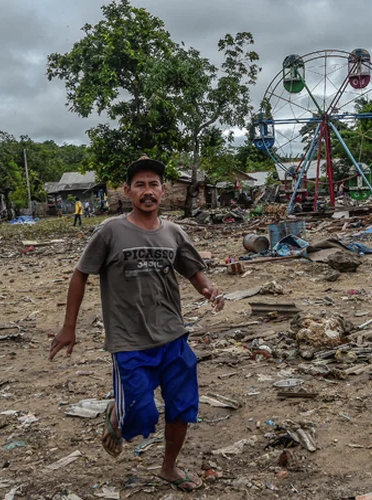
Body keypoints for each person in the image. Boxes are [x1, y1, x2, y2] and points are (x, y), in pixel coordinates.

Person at [48, 157, 224, 492]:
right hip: (129, 342)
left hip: (173, 335)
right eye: (140, 185)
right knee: (141, 416)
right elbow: (81, 274)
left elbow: (193, 270)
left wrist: (208, 289)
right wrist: (68, 327)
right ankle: (118, 413)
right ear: (127, 191)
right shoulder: (111, 231)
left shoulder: (174, 232)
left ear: (164, 190)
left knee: (183, 407)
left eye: (154, 184)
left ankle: (169, 467)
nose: (148, 191)